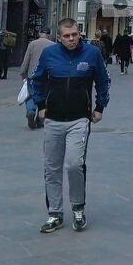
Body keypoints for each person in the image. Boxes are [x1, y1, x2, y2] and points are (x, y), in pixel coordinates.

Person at [29, 18, 110, 233]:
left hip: (79, 119)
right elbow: (35, 79)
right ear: (59, 38)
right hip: (53, 119)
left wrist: (100, 107)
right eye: (66, 36)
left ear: (79, 33)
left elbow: (103, 81)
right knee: (52, 167)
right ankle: (55, 213)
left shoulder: (91, 54)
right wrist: (40, 105)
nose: (71, 39)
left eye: (74, 34)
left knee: (74, 164)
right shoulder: (50, 54)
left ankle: (78, 209)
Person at [18, 29, 56, 129]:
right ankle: (40, 120)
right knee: (44, 97)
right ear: (48, 35)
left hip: (33, 75)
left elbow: (26, 59)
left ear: (39, 34)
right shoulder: (53, 45)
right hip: (47, 76)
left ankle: (31, 110)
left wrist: (23, 72)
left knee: (31, 95)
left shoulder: (32, 44)